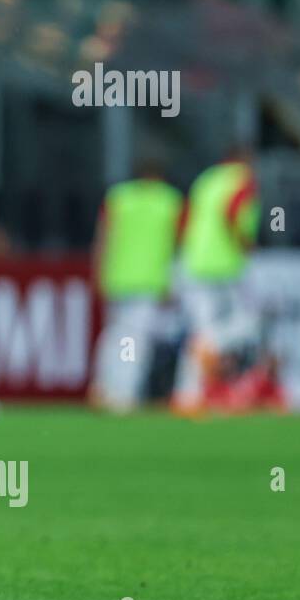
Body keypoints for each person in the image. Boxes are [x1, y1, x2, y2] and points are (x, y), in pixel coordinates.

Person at [172, 146, 261, 413]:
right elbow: (235, 214)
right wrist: (245, 243)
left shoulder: (205, 180)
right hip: (224, 265)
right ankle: (213, 346)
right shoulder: (241, 179)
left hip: (192, 262)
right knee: (248, 323)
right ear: (244, 158)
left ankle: (187, 396)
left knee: (201, 331)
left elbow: (184, 220)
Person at [89, 159, 183, 411]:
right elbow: (177, 243)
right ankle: (124, 394)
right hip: (148, 280)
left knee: (114, 335)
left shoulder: (119, 197)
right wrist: (171, 281)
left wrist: (97, 271)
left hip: (117, 278)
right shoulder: (169, 200)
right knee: (134, 341)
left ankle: (103, 387)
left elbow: (102, 237)